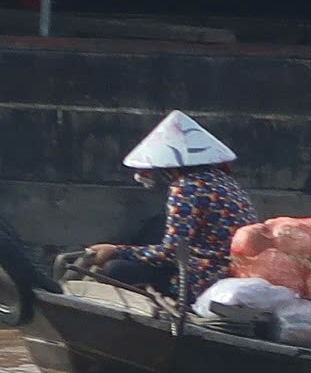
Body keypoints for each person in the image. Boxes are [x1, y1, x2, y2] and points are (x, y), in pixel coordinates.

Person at [83, 111, 260, 304]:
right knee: (156, 225)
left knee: (115, 269)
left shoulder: (185, 188)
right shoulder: (225, 182)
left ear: (170, 168)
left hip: (202, 278)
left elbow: (171, 252)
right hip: (230, 271)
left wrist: (116, 251)